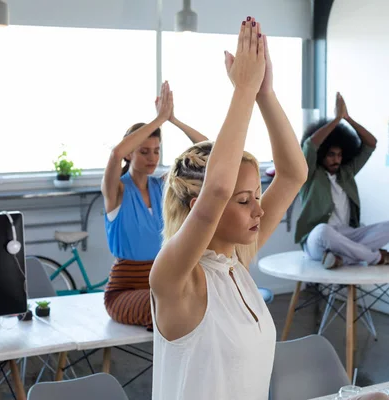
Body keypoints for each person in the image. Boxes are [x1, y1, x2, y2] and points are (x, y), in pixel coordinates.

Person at [148, 17, 309, 399]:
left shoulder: (234, 263)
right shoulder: (175, 280)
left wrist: (265, 94)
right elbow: (217, 188)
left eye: (256, 194)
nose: (259, 210)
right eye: (244, 200)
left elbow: (293, 175)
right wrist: (243, 90)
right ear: (197, 204)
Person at [102, 81, 208, 331]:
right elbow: (116, 154)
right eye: (144, 151)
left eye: (156, 151)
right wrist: (158, 119)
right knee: (166, 306)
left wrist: (173, 120)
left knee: (200, 301)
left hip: (164, 282)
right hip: (125, 290)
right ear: (131, 153)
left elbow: (208, 151)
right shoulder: (115, 190)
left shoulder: (162, 186)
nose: (152, 158)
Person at [296, 92, 389, 268]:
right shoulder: (309, 175)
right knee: (323, 230)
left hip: (348, 235)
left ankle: (341, 259)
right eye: (331, 155)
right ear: (322, 155)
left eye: (339, 155)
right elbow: (309, 146)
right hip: (318, 240)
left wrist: (347, 118)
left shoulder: (347, 172)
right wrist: (336, 121)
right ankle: (379, 258)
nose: (336, 159)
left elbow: (371, 143)